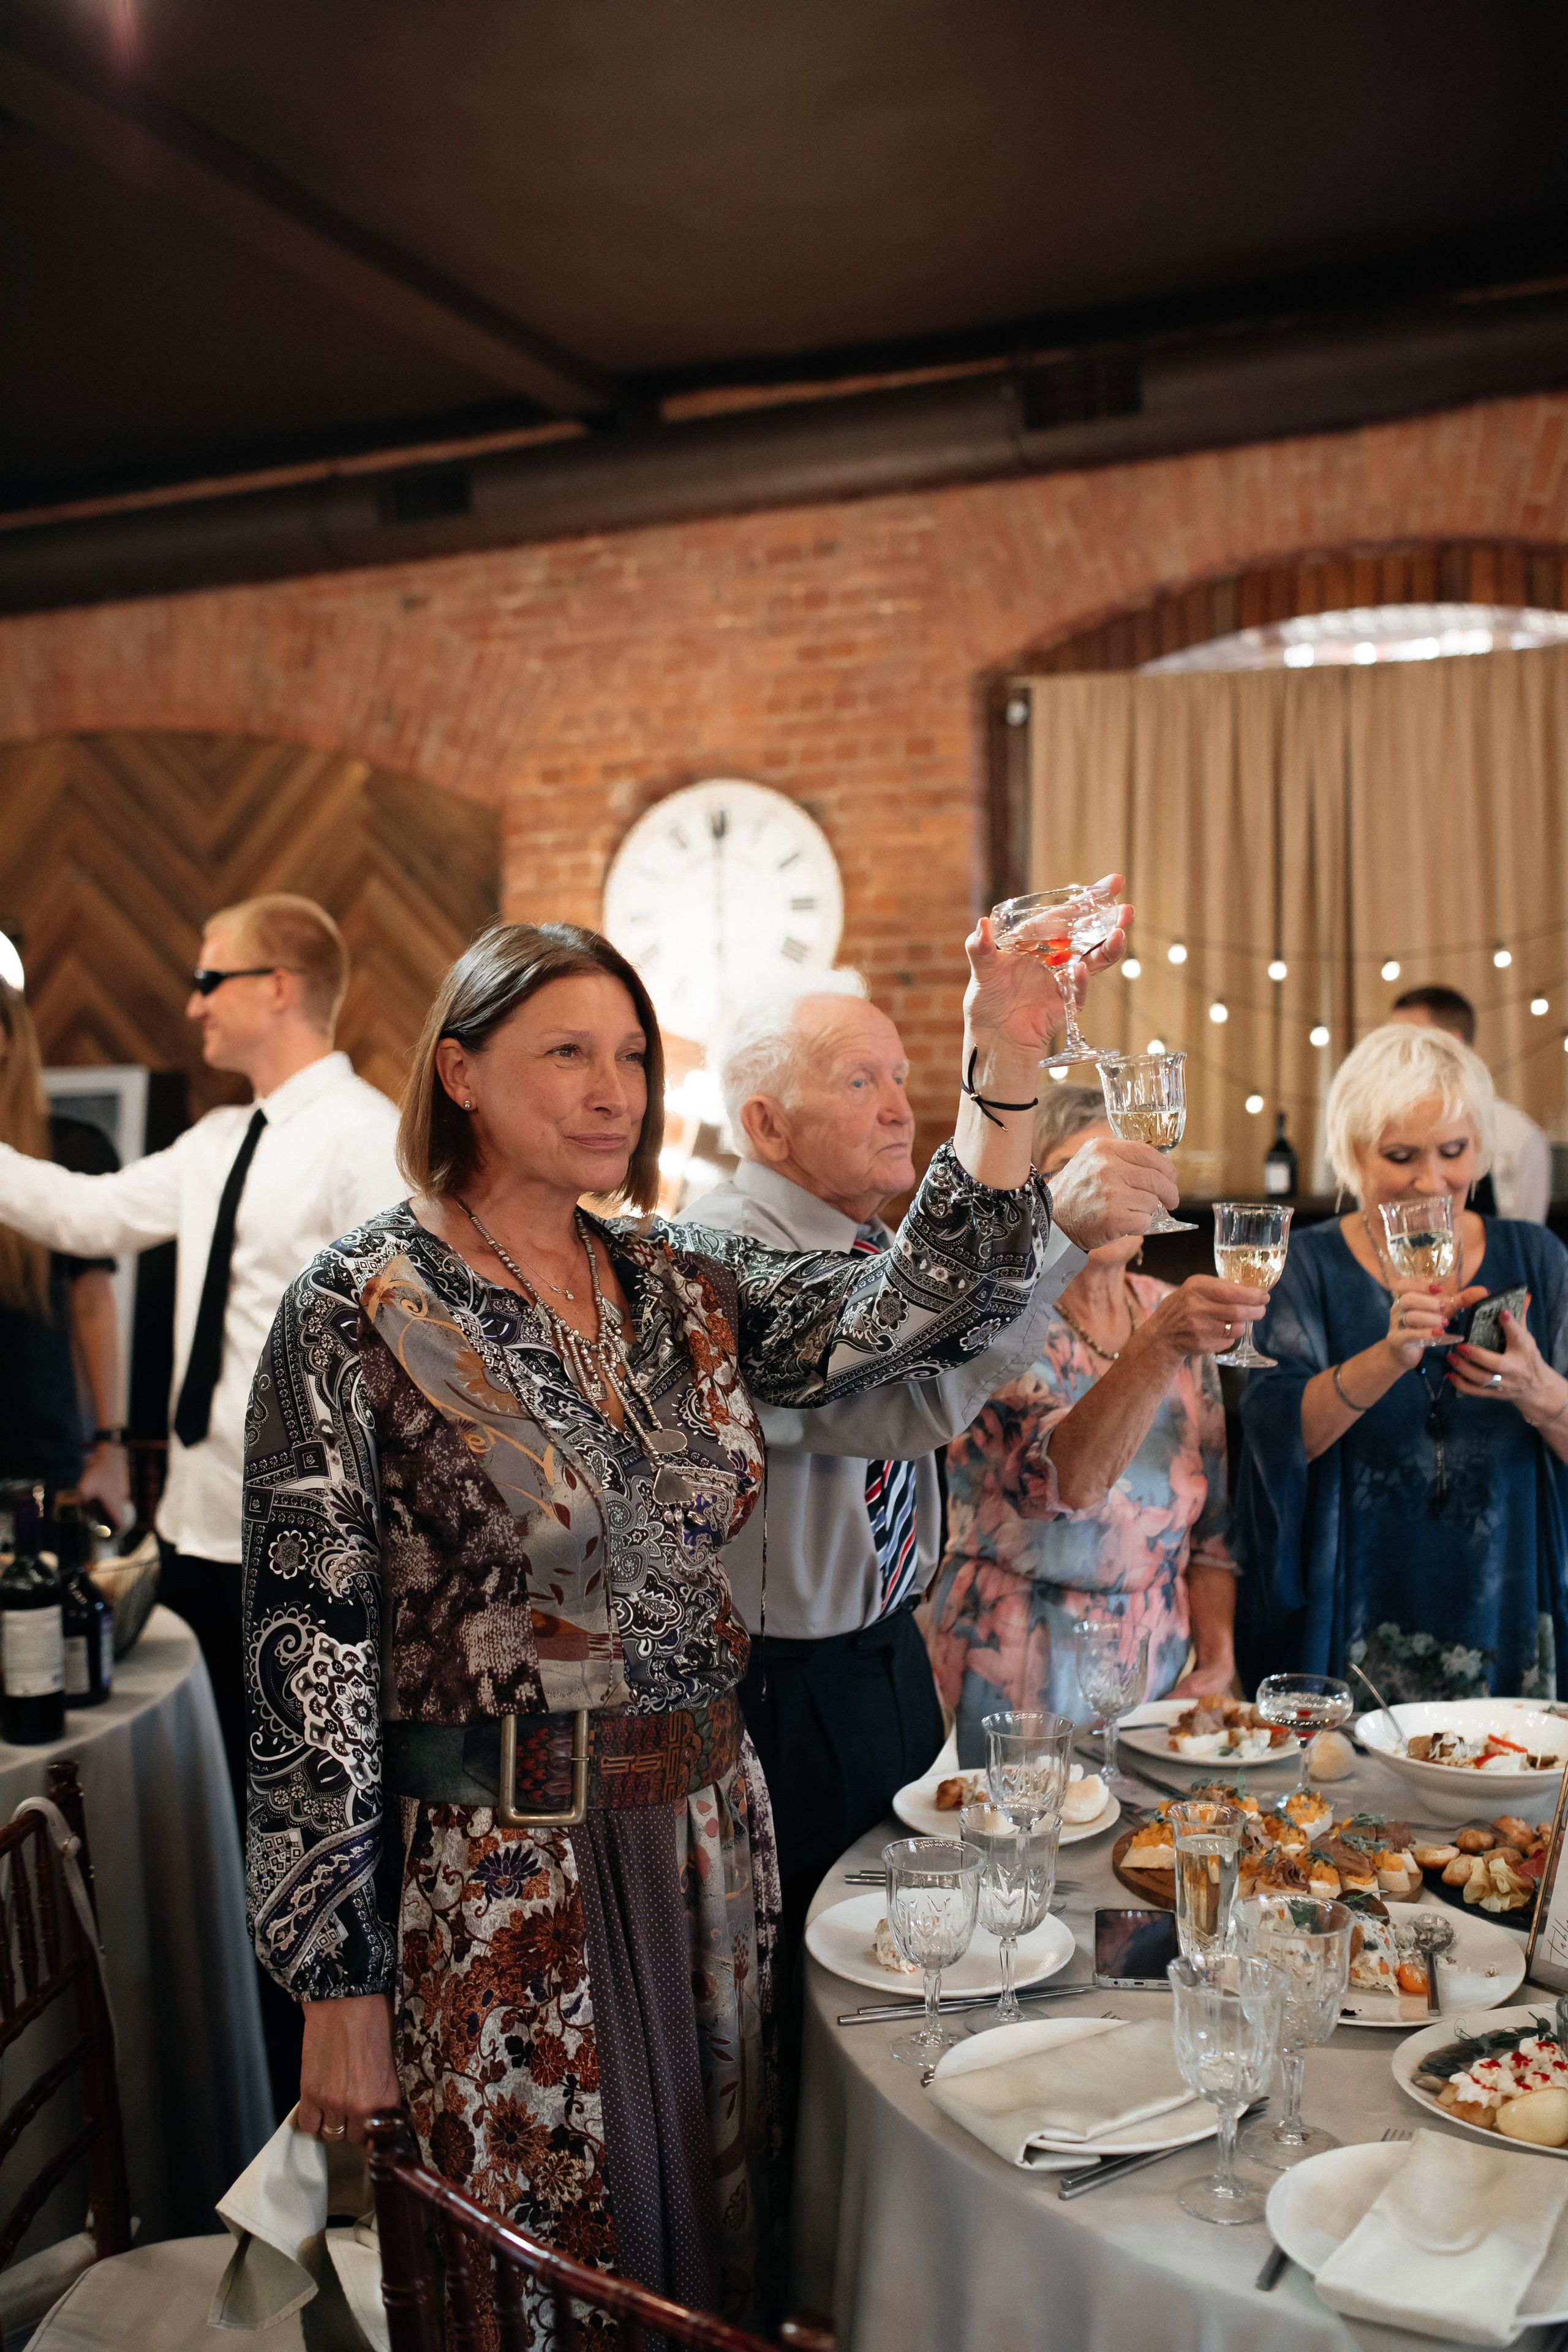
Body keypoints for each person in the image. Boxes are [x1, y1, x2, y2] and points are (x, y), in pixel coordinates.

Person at [243, 906, 1151, 2327]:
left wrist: (1001, 1063)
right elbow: (306, 1667)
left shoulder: (678, 1283)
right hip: (499, 1884)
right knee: (538, 2276)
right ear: (460, 1072)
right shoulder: (355, 1306)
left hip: (710, 1846)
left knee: (715, 2240)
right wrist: (332, 1982)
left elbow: (906, 1313)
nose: (612, 1088)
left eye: (628, 1054)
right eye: (565, 1053)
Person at [681, 974, 1161, 1949]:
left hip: (892, 1657)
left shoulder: (876, 1245)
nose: (903, 1107)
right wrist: (1054, 1235)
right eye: (862, 1083)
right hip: (784, 1690)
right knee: (825, 1970)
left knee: (922, 1941)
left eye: (902, 1076)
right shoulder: (721, 1250)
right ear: (767, 1126)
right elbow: (905, 1414)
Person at [923, 1084, 1264, 1764]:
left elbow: (1215, 1530)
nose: (1119, 1190)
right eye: (1092, 1170)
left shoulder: (1167, 1307)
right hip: (1020, 1660)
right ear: (1033, 1189)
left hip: (1156, 1672)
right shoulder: (999, 1320)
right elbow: (1061, 1486)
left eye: (1132, 1168)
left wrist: (1217, 1651)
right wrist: (1161, 1345)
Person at [1235, 1021, 1568, 1698]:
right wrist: (1386, 1358)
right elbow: (1276, 1444)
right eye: (1399, 1155)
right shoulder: (1306, 1266)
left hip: (1506, 1591)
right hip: (1355, 1595)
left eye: (1454, 1150)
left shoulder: (1537, 1256)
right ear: (1349, 1155)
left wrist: (1541, 1391)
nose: (1432, 1180)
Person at [0, 980, 129, 1523]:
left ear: (8, 1039)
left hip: (36, 1438)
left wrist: (110, 1445)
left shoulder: (70, 1151)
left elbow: (94, 1305)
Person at [1392, 984, 1550, 1221]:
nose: (1394, 1055)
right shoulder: (1386, 1128)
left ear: (1453, 1041)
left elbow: (1523, 1239)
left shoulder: (1517, 1136)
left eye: (1408, 1042)